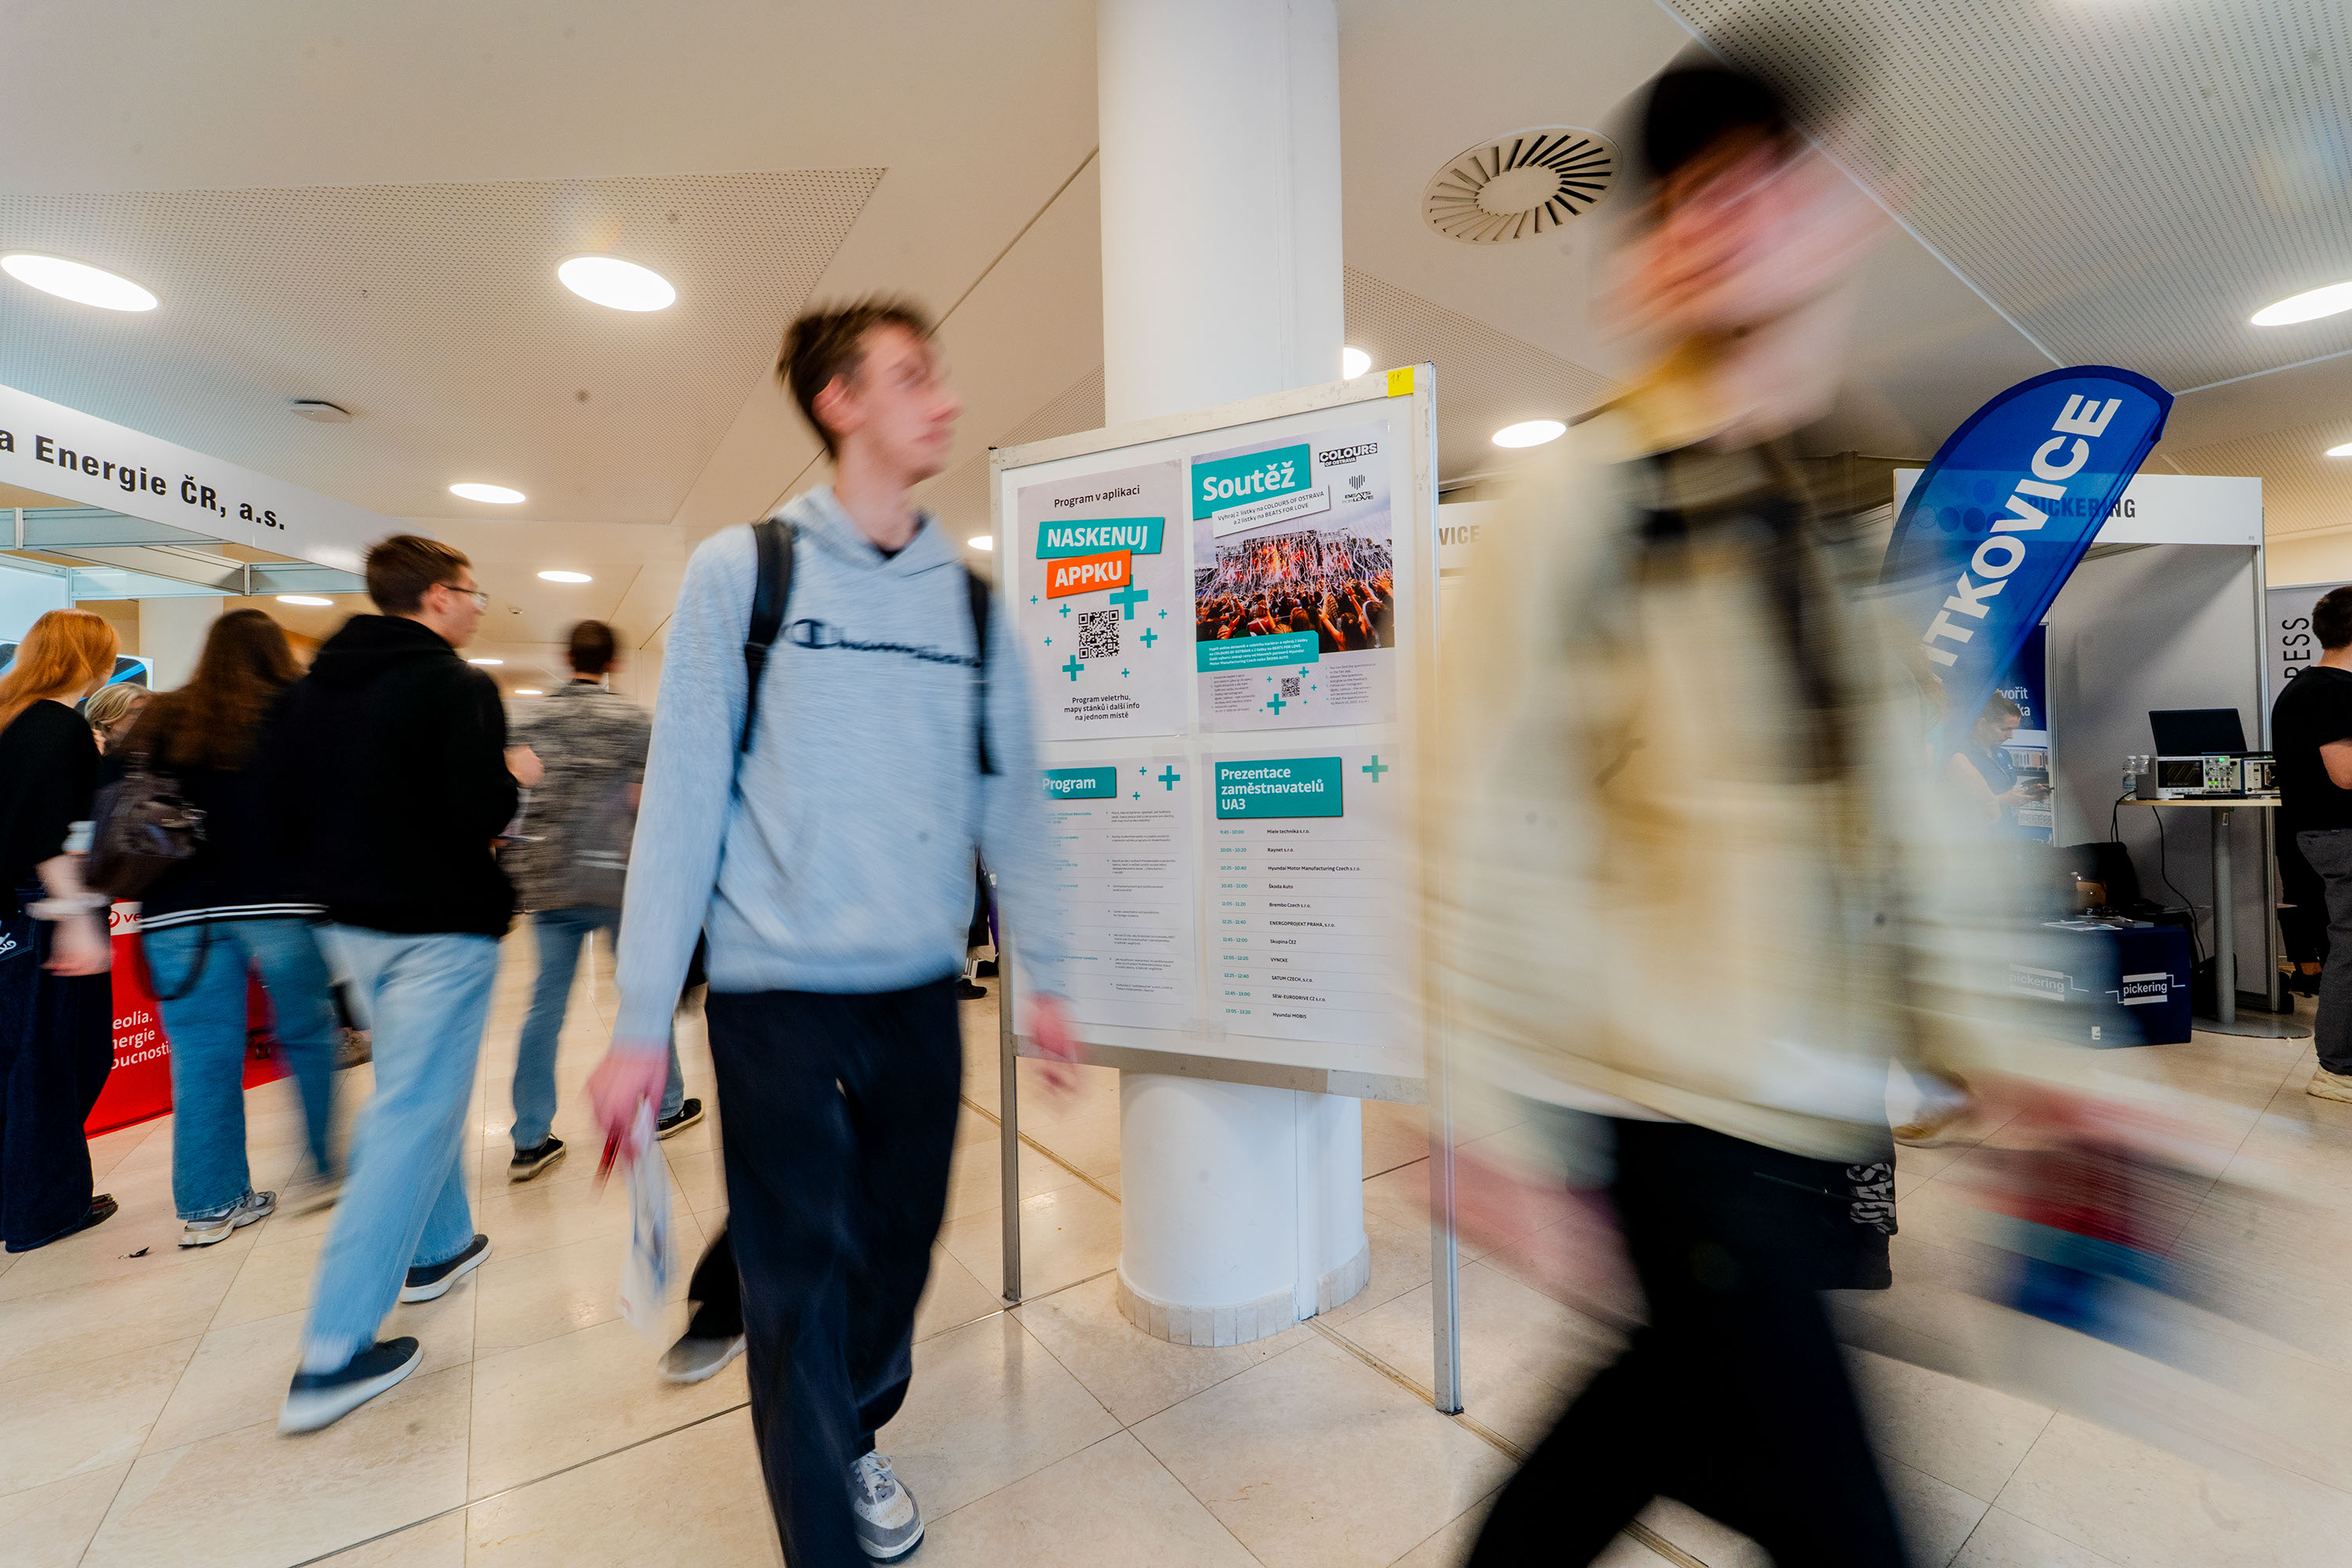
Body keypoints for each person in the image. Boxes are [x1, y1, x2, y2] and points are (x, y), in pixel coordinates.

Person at [1427, 67, 1969, 1566]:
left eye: (1763, 185)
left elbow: (1909, 813)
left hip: (1803, 1107)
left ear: (1851, 212)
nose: (1725, 225)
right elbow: (1466, 818)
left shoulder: (1820, 495)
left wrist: (2023, 1047)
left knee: (1632, 1437)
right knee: (1848, 1525)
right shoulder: (1589, 497)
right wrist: (1486, 1119)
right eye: (1690, 199)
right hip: (1680, 1115)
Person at [585, 296, 1076, 1566]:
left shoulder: (972, 608)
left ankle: (852, 1428)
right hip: (774, 998)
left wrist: (1053, 980)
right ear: (838, 400)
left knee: (900, 1250)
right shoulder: (744, 575)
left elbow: (1015, 803)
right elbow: (682, 804)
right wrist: (640, 1025)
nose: (946, 399)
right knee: (797, 1271)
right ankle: (824, 1531)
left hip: (917, 992)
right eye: (913, 376)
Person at [271, 535, 514, 1432]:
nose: (479, 605)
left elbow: (285, 811)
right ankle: (334, 1349)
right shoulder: (457, 687)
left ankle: (438, 1245)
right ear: (438, 595)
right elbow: (481, 810)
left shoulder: (310, 693)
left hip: (348, 928)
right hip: (439, 928)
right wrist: (514, 778)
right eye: (473, 590)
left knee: (414, 1084)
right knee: (412, 1108)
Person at [120, 609, 342, 1246]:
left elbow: (113, 803)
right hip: (279, 905)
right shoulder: (297, 712)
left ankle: (211, 1206)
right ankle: (326, 1168)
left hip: (177, 913)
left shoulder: (161, 717)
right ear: (276, 653)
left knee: (201, 1055)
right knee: (308, 1036)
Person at [498, 619, 696, 1181]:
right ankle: (666, 1106)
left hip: (551, 884)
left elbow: (519, 797)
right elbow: (641, 802)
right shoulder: (634, 722)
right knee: (641, 996)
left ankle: (530, 1137)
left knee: (544, 1008)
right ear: (615, 664)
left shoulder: (534, 719)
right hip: (616, 883)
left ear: (567, 658)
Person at [0, 609, 122, 1251]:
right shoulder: (59, 725)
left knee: (22, 1063)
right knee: (60, 1060)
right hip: (47, 912)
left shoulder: (13, 719)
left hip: (14, 917)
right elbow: (51, 832)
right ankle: (45, 1209)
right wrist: (75, 919)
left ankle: (23, 1199)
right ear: (92, 659)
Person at [2270, 583, 2352, 1102]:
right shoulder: (2334, 691)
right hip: (2341, 835)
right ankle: (2337, 1069)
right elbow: (2346, 773)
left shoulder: (2305, 687)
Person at [1945, 692, 2042, 830]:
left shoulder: (2003, 754)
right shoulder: (1960, 757)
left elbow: (2006, 790)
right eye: (2005, 729)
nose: (2011, 736)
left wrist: (2026, 794)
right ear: (1981, 725)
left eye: (2013, 729)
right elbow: (1952, 805)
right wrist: (2002, 800)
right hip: (1977, 833)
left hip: (2007, 829)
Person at [82, 680, 150, 756]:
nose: (149, 718)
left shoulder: (152, 753)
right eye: (137, 712)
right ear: (108, 717)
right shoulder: (85, 755)